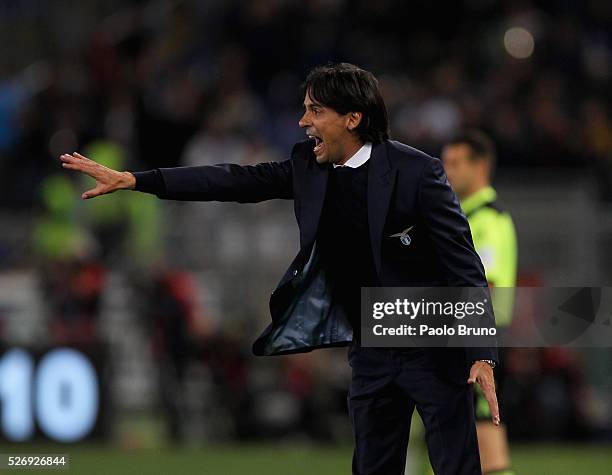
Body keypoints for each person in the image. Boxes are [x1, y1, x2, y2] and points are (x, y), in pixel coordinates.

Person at [60, 62, 499, 475]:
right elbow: (231, 180)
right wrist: (138, 180)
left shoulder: (417, 172)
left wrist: (481, 353)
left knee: (455, 466)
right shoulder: (309, 166)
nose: (302, 121)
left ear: (352, 118)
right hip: (373, 343)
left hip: (434, 339)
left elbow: (464, 265)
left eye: (315, 110)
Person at [442, 131, 517, 475]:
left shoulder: (489, 219)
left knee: (484, 442)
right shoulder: (462, 216)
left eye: (456, 163)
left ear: (481, 166)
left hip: (476, 339)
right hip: (459, 335)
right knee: (446, 436)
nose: (447, 171)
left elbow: (483, 282)